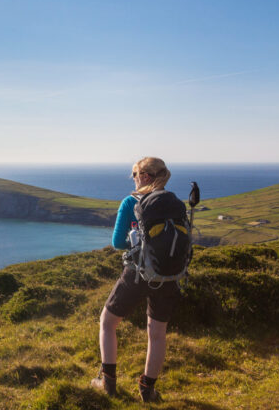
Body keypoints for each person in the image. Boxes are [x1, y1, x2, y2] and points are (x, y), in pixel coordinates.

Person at [90, 157, 182, 403]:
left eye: (135, 174)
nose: (133, 179)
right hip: (170, 274)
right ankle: (147, 389)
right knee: (157, 333)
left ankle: (107, 383)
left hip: (139, 273)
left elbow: (118, 243)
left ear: (145, 177)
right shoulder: (174, 203)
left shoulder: (131, 202)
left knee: (107, 322)